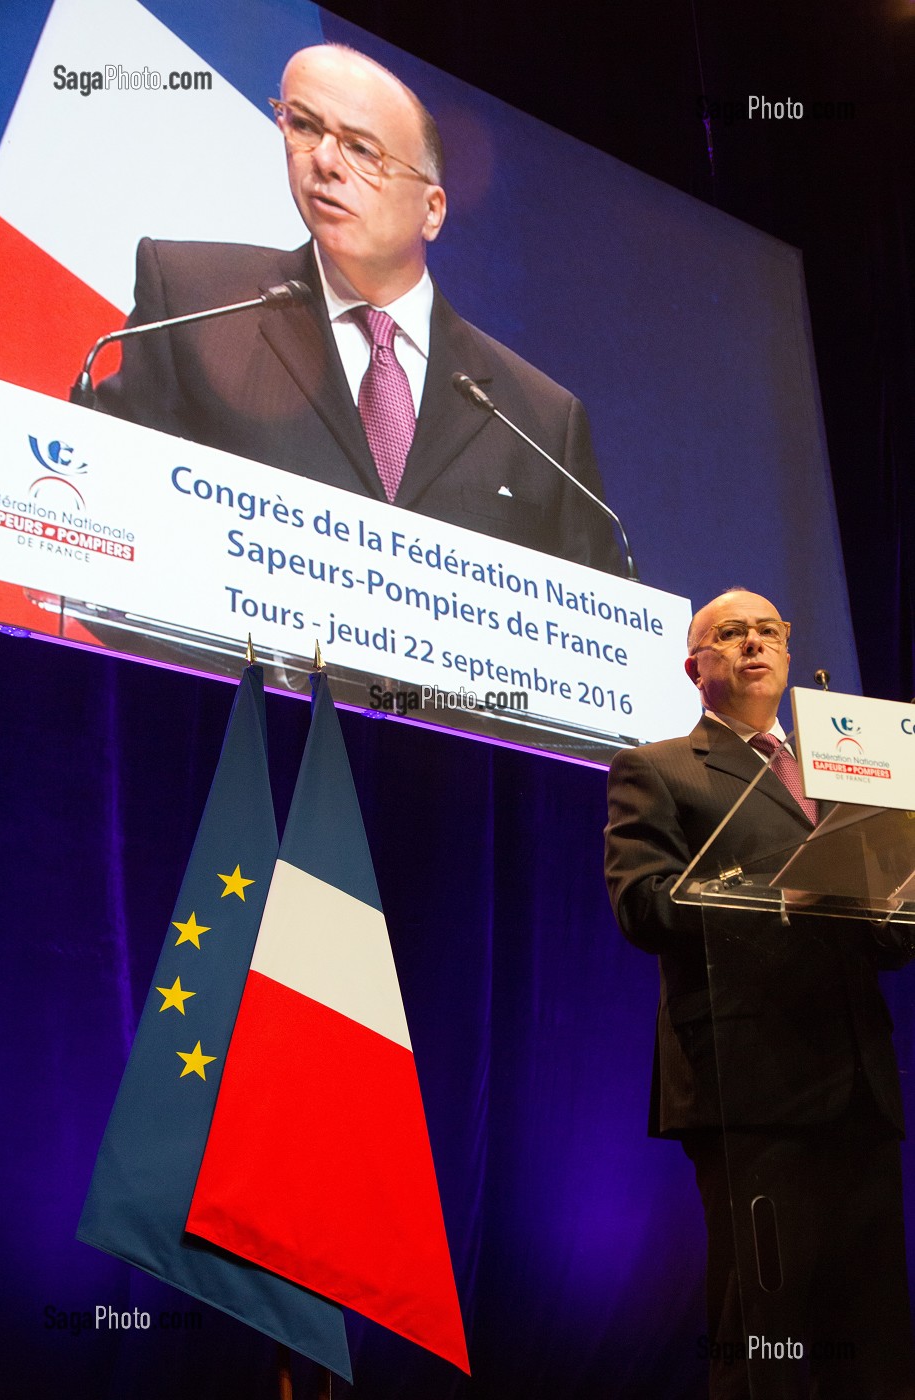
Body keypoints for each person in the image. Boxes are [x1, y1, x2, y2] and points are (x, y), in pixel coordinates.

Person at [96, 44, 624, 574]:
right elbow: (108, 526)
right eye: (304, 126)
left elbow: (597, 626)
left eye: (362, 150)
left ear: (431, 210)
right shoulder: (192, 299)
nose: (323, 162)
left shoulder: (540, 419)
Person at [604, 587, 915, 1399]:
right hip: (749, 1087)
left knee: (873, 1334)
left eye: (768, 630)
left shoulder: (845, 771)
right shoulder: (658, 768)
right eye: (730, 633)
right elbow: (643, 905)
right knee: (768, 1334)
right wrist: (784, 895)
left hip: (856, 1085)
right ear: (693, 666)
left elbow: (880, 939)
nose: (753, 644)